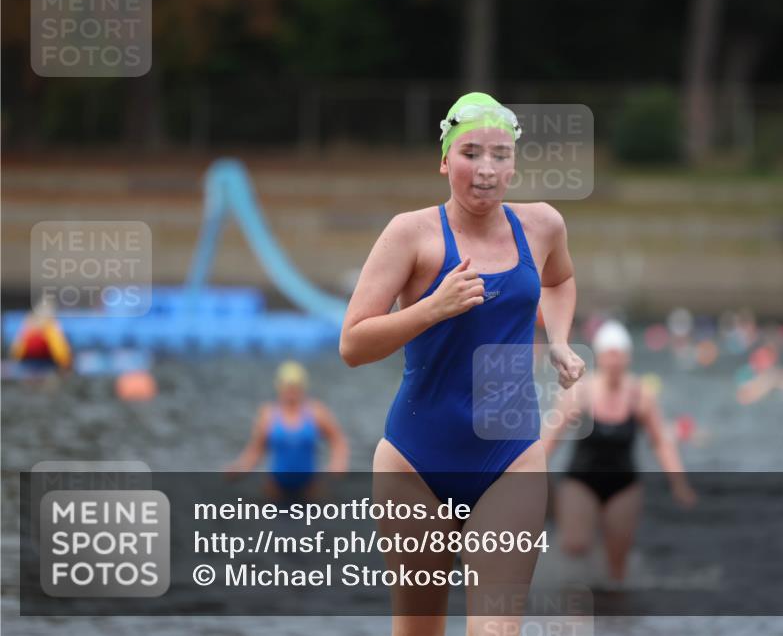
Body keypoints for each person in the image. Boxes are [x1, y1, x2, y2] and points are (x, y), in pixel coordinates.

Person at [339, 92, 585, 636]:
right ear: (445, 160)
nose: (486, 169)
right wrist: (432, 307)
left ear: (514, 164)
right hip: (415, 464)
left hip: (511, 460)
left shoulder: (542, 225)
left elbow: (560, 279)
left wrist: (560, 340)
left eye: (500, 155)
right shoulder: (411, 234)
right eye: (471, 153)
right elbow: (353, 344)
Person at [543, 320, 696, 583]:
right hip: (581, 481)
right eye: (609, 355)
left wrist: (679, 483)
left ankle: (612, 601)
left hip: (624, 484)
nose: (614, 361)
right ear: (600, 356)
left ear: (628, 357)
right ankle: (577, 585)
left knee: (617, 565)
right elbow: (551, 438)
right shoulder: (581, 392)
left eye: (619, 355)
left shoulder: (640, 395)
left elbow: (661, 442)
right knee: (575, 544)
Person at [226, 361, 349, 502]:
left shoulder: (316, 412)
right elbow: (256, 450)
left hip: (309, 488)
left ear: (303, 387)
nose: (291, 392)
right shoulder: (268, 414)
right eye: (288, 387)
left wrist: (338, 463)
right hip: (276, 488)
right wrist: (239, 468)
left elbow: (338, 440)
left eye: (295, 387)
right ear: (279, 387)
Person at [9, 296, 72, 373]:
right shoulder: (36, 324)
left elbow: (59, 347)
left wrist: (64, 362)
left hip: (41, 363)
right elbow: (18, 346)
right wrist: (65, 362)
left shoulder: (47, 325)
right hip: (34, 363)